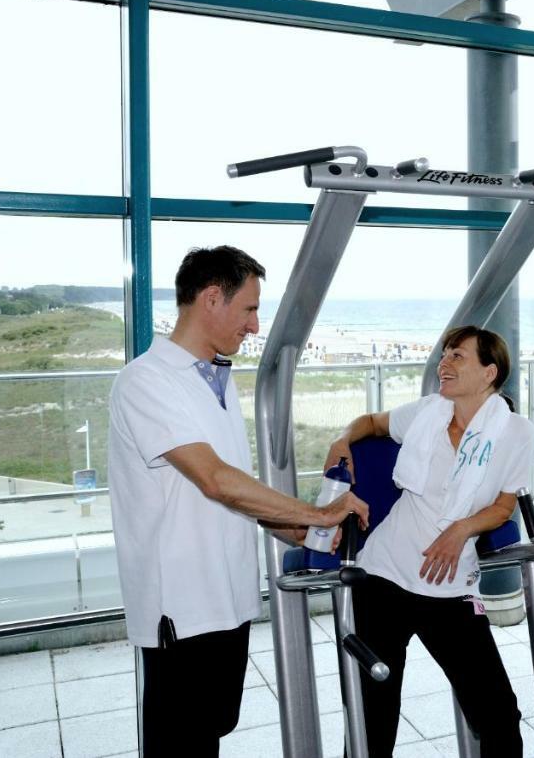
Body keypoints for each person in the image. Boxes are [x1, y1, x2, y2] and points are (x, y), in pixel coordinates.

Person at [108, 245, 369, 758]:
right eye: (248, 308)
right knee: (180, 743)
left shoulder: (216, 381)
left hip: (227, 597)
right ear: (210, 298)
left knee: (212, 731)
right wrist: (316, 513)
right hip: (181, 608)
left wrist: (290, 529)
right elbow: (213, 479)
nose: (254, 325)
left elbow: (233, 490)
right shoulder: (146, 381)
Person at [324, 325, 534, 757]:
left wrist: (460, 530)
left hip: (449, 585)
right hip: (384, 574)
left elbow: (502, 506)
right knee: (373, 719)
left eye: (458, 356)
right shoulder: (427, 412)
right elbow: (370, 422)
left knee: (498, 716)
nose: (444, 363)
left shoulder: (516, 433)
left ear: (488, 372)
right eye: (445, 354)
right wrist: (341, 439)